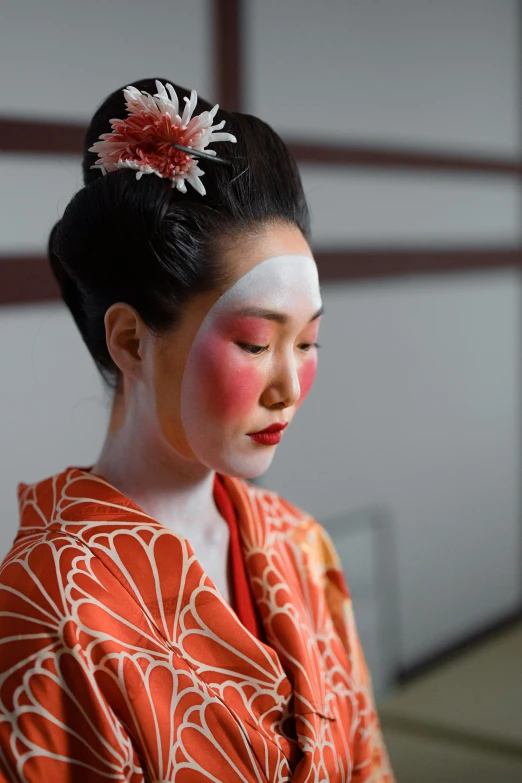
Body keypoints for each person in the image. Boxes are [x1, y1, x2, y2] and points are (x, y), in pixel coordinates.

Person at [0, 79, 395, 782]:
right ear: (130, 341)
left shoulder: (301, 544)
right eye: (253, 343)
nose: (287, 387)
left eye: (307, 343)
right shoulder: (50, 608)